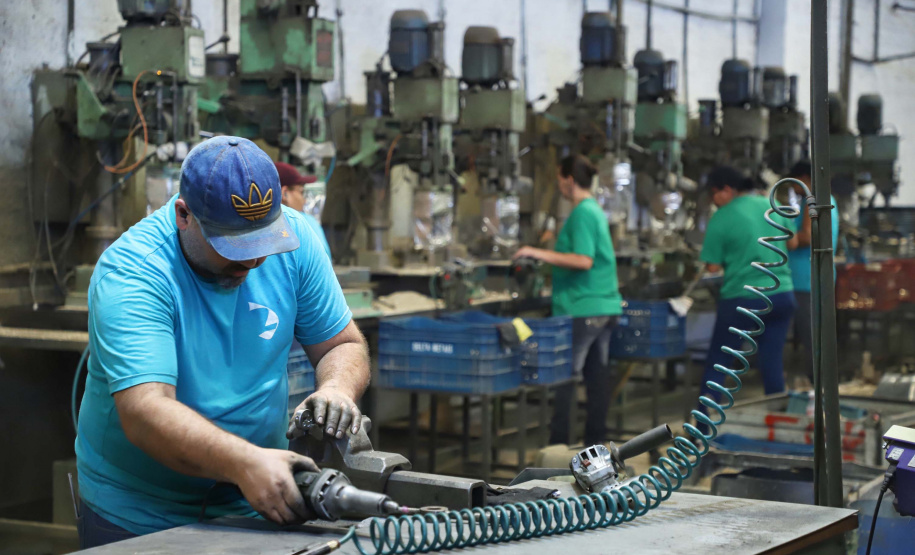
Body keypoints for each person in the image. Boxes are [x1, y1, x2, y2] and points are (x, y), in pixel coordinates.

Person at [75, 137, 369, 548]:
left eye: (263, 242)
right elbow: (146, 410)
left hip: (261, 495)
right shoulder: (135, 274)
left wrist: (337, 388)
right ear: (184, 215)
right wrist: (245, 462)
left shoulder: (298, 240)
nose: (252, 262)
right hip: (141, 514)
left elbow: (342, 344)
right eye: (233, 246)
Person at [513, 154, 622, 446]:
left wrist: (537, 253)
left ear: (569, 180)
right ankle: (595, 444)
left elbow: (583, 260)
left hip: (584, 307)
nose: (558, 185)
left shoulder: (583, 212)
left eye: (559, 179)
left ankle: (559, 445)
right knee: (596, 379)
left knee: (566, 379)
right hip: (603, 306)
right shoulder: (593, 209)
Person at [698, 166, 796, 423]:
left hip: (742, 300)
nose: (712, 200)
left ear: (727, 190)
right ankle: (780, 424)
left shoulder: (722, 216)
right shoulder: (770, 205)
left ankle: (702, 430)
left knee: (719, 362)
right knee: (772, 362)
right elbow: (793, 242)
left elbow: (712, 266)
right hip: (781, 296)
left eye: (714, 193)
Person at [785, 160, 840, 379]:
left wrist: (784, 236)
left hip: (803, 280)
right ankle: (820, 386)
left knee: (813, 338)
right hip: (819, 276)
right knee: (818, 336)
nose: (793, 187)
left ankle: (817, 387)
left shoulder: (812, 201)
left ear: (805, 178)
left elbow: (807, 236)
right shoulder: (828, 199)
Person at [275, 161, 332, 259]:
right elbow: (323, 262)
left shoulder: (254, 225)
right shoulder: (303, 222)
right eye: (301, 192)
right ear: (285, 194)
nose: (304, 200)